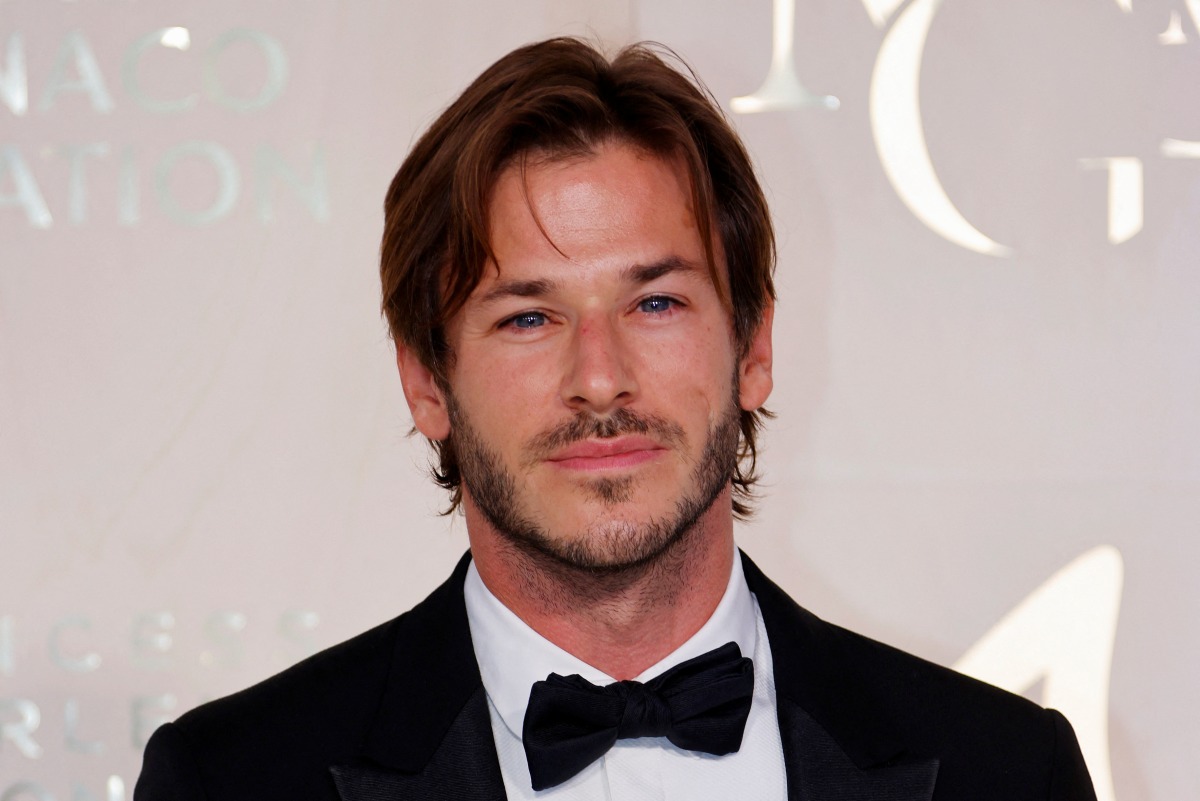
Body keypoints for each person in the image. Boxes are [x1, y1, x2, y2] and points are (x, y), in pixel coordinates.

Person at [134, 38, 1097, 801]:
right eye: (528, 317)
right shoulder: (233, 779)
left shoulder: (1005, 771)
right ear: (427, 383)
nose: (600, 379)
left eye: (657, 304)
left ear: (754, 347)